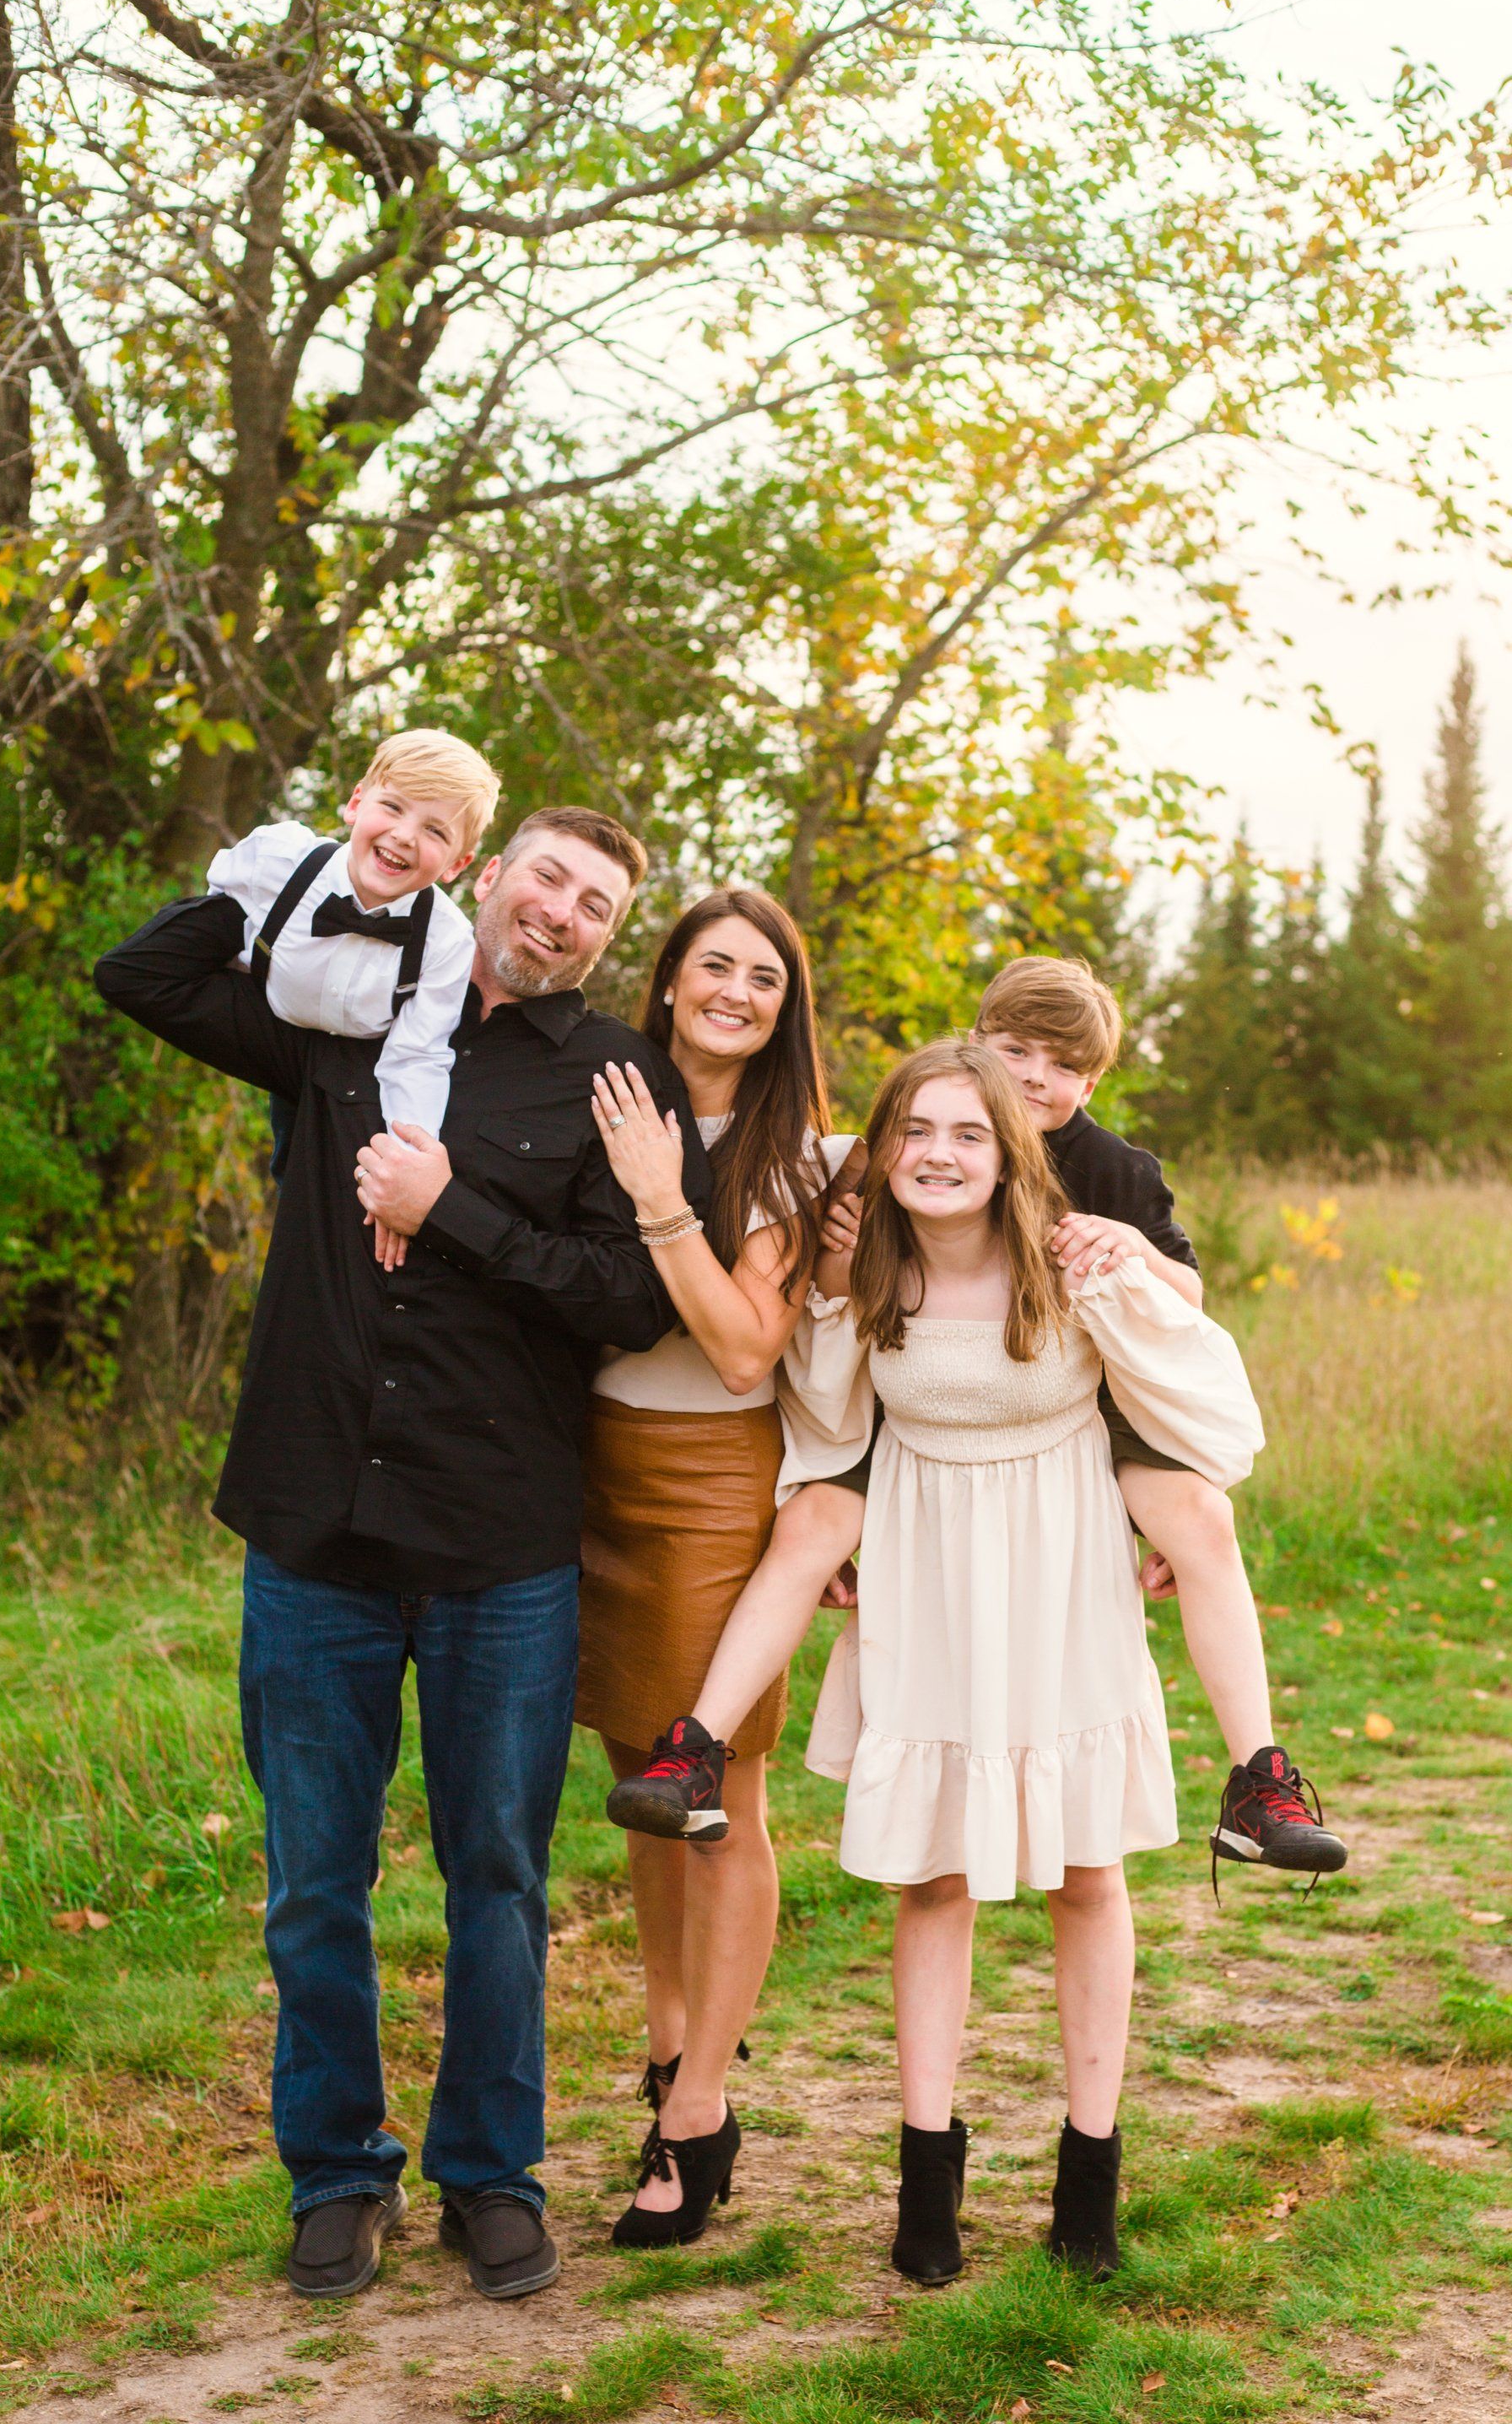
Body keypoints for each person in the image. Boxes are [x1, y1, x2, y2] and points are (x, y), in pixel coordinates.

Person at [94, 807, 710, 2307]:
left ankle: (490, 2178)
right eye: (545, 876)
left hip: (502, 1545)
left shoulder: (620, 1080)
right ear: (488, 878)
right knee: (315, 1877)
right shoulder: (349, 1010)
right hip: (315, 1529)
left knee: (495, 1874)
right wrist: (338, 862)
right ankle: (337, 2173)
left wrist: (454, 1218)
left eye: (596, 902)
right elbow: (146, 978)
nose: (561, 912)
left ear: (609, 935)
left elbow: (631, 1302)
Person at [612, 958, 1347, 1889]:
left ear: (1092, 1083)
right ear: (977, 1049)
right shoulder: (898, 1156)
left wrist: (1129, 1249)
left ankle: (1258, 1777)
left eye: (1063, 1064)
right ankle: (698, 1746)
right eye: (1016, 1051)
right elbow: (834, 1306)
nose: (1036, 1077)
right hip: (906, 1400)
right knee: (809, 1531)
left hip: (1090, 1404)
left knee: (1201, 1520)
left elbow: (1188, 1302)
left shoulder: (1113, 1168)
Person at [787, 1038, 1262, 2282]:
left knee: (1087, 1873)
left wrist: (1178, 1508)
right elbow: (821, 1412)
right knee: (931, 1879)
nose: (939, 1156)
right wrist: (824, 1512)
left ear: (1011, 1155)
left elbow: (1204, 1393)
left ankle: (1089, 2170)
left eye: (970, 1136)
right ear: (884, 1147)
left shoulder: (1076, 1260)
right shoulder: (867, 1265)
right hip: (929, 1572)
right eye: (917, 1133)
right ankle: (926, 2177)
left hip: (1061, 1572)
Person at [575, 891, 844, 2249]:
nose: (737, 991)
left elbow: (747, 1350)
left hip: (710, 1478)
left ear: (786, 1007)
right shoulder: (601, 1092)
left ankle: (700, 2111)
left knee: (717, 1788)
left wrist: (663, 1205)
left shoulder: (791, 1158)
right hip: (592, 1468)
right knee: (639, 1782)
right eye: (714, 966)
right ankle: (669, 2040)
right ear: (669, 979)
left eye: (765, 977)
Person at [207, 728, 499, 1256]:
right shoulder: (279, 857)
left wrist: (405, 1169)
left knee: (334, 1198)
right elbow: (217, 899)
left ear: (458, 865)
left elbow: (417, 1057)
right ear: (356, 803)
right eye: (393, 807)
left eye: (435, 830)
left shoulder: (447, 942)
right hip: (272, 1026)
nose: (405, 836)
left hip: (360, 1064)